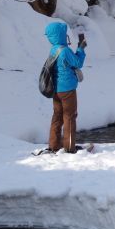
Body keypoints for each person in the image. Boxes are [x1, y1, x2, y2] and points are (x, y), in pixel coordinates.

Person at [45, 21, 87, 154]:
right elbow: (78, 63)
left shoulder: (53, 49)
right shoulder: (65, 51)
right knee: (69, 116)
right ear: (61, 35)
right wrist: (81, 49)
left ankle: (53, 145)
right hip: (67, 90)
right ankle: (69, 147)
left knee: (57, 116)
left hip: (56, 90)